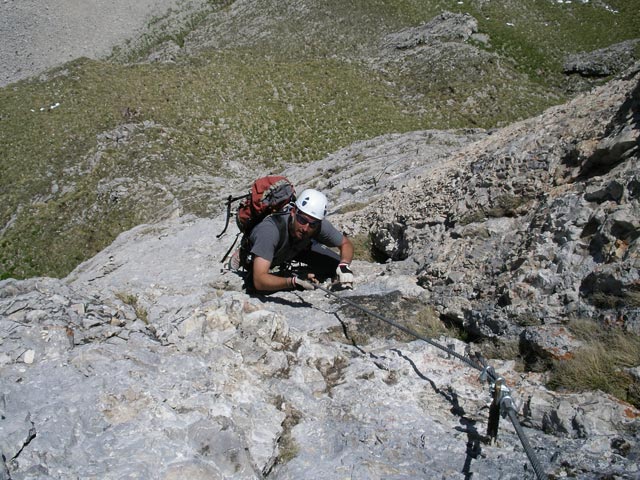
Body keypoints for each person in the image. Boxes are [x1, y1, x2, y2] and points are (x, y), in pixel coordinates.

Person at [242, 188, 354, 292]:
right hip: (274, 249)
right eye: (302, 220)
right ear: (293, 211)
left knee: (335, 265)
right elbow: (259, 281)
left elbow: (345, 243)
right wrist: (292, 282)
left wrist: (344, 265)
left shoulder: (317, 224)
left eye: (312, 224)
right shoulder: (270, 230)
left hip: (298, 247)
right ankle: (240, 255)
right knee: (254, 286)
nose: (305, 228)